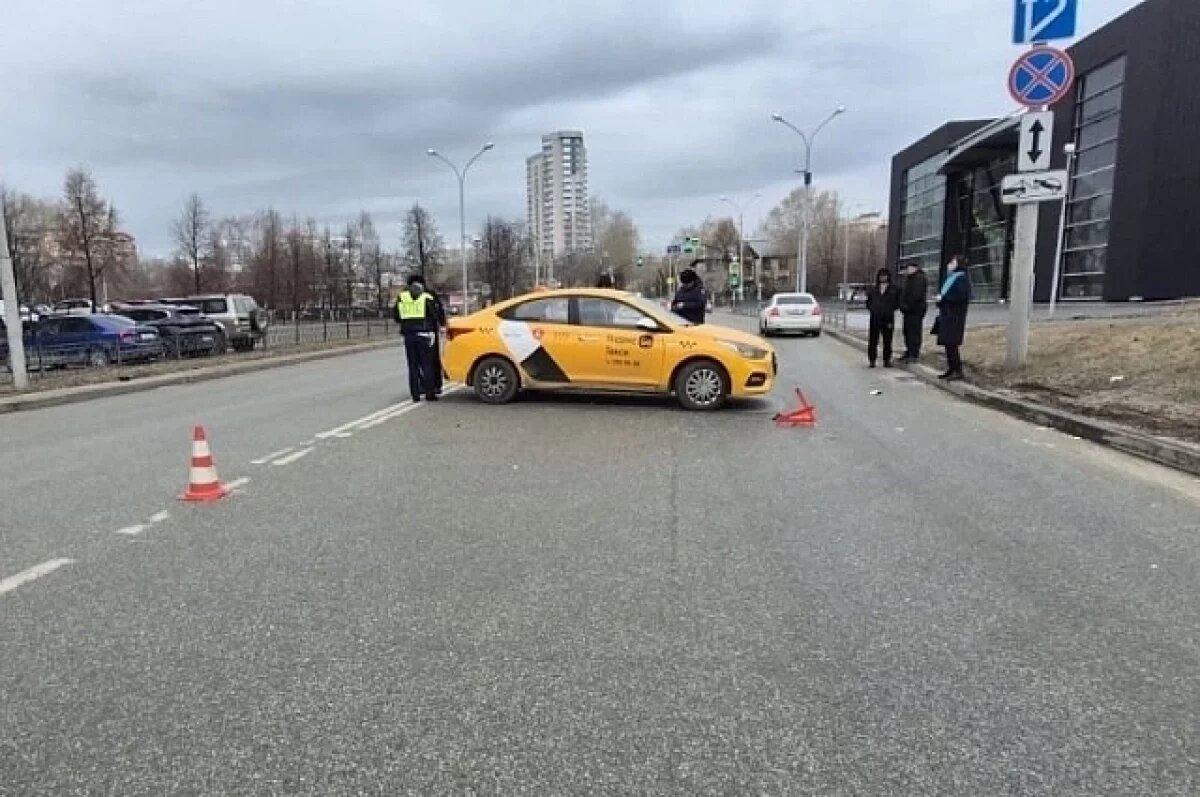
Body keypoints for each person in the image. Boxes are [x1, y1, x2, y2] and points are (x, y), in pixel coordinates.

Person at [393, 274, 438, 402]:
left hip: (408, 335)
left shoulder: (402, 297)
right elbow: (434, 316)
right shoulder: (426, 297)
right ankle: (430, 393)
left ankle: (415, 394)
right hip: (424, 335)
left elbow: (396, 316)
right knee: (427, 365)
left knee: (412, 365)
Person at [934, 254, 972, 381]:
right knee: (947, 344)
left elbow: (960, 297)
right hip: (947, 315)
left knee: (952, 344)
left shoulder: (961, 279)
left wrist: (943, 298)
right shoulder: (951, 278)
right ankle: (951, 369)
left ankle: (957, 370)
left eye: (953, 262)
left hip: (955, 317)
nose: (950, 264)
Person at [865, 266, 900, 368]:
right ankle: (872, 360)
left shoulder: (894, 289)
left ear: (888, 277)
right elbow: (868, 302)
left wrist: (891, 309)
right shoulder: (873, 289)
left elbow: (898, 302)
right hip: (875, 317)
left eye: (884, 276)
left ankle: (887, 360)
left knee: (887, 340)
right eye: (881, 276)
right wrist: (872, 309)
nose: (883, 278)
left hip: (888, 317)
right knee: (873, 340)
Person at [898, 261, 929, 364]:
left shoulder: (919, 278)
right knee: (907, 331)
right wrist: (902, 305)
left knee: (914, 332)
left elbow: (916, 295)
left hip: (915, 310)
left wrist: (908, 305)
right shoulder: (908, 278)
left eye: (909, 268)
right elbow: (904, 293)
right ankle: (909, 350)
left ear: (915, 268)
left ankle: (914, 354)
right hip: (907, 311)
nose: (907, 270)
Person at [427, 286, 448, 395]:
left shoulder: (406, 295)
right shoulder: (430, 294)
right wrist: (442, 324)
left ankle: (423, 386)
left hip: (413, 332)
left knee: (417, 364)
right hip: (431, 331)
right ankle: (436, 385)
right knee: (433, 360)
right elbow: (439, 310)